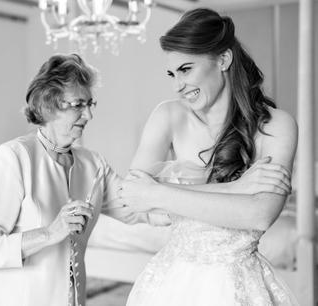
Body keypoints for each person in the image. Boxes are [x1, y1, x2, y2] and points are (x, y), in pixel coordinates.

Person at [118, 8, 299, 306]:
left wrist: (158, 193)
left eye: (186, 69)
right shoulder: (168, 115)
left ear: (223, 59)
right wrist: (236, 189)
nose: (178, 85)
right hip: (171, 283)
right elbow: (133, 199)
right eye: (172, 74)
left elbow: (260, 214)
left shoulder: (276, 125)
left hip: (239, 285)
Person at [0, 54, 162, 306]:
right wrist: (49, 232)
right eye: (78, 105)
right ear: (48, 106)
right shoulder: (12, 159)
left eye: (90, 104)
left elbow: (136, 208)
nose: (89, 115)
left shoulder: (94, 165)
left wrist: (185, 205)